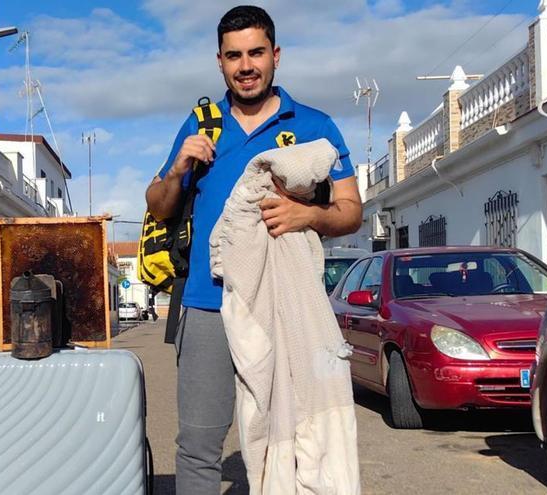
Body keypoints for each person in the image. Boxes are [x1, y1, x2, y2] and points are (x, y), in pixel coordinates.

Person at [144, 5, 362, 494]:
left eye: (256, 53)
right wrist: (178, 169)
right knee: (198, 445)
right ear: (220, 62)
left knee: (297, 431)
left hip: (285, 307)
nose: (246, 65)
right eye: (234, 55)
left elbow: (351, 210)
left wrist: (309, 216)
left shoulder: (314, 124)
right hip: (208, 303)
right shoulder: (202, 124)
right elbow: (158, 206)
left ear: (276, 56)